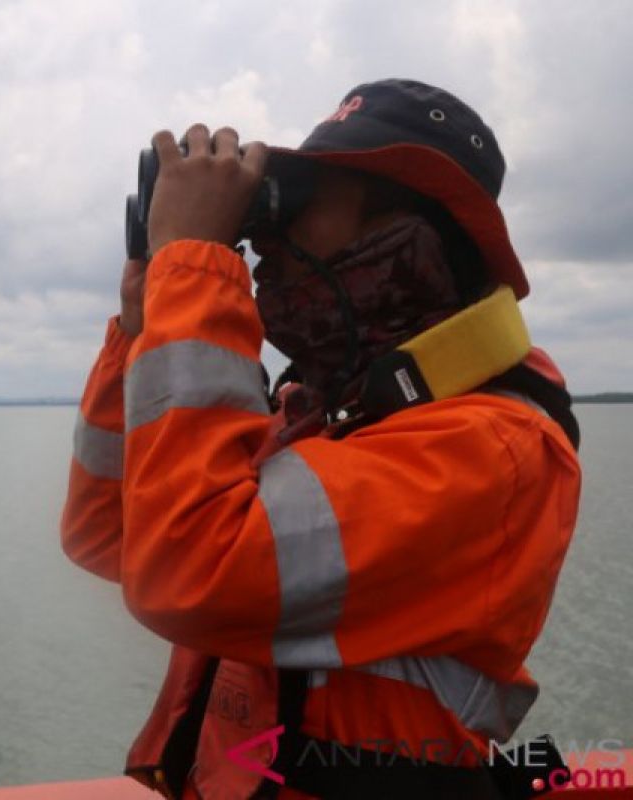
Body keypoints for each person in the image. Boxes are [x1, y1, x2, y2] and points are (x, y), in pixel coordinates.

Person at [60, 79, 582, 799]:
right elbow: (106, 534)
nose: (267, 239)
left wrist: (197, 267)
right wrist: (142, 325)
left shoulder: (494, 449)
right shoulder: (323, 419)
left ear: (408, 227)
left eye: (304, 198)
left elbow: (189, 573)